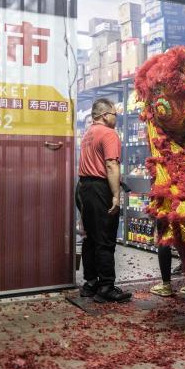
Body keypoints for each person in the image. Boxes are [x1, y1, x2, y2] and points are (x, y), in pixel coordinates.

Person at [76, 98, 132, 303]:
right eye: (114, 115)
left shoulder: (87, 134)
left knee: (90, 236)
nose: (116, 118)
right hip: (100, 189)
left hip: (84, 188)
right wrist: (116, 195)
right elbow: (111, 166)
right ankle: (107, 286)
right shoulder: (108, 134)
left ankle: (90, 283)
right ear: (104, 115)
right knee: (106, 238)